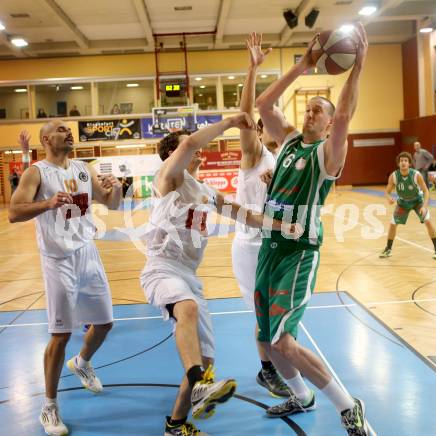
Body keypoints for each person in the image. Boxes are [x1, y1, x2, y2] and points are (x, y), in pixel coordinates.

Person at [140, 113, 300, 436]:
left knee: (207, 358)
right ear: (177, 154)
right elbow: (188, 142)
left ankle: (176, 424)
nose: (197, 150)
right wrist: (228, 122)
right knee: (187, 309)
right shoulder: (168, 178)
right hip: (161, 267)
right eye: (190, 148)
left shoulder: (204, 190)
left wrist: (283, 226)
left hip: (188, 274)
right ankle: (199, 384)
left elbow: (245, 215)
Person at [254, 24, 370, 435]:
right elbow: (264, 103)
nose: (311, 113)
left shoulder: (327, 154)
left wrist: (359, 65)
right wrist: (303, 64)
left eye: (319, 110)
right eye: (308, 109)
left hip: (298, 251)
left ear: (329, 122)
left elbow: (346, 114)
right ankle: (300, 395)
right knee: (267, 339)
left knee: (285, 341)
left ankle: (347, 406)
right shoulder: (286, 142)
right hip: (269, 246)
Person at [9, 120, 122, 436]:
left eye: (68, 129)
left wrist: (117, 187)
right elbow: (14, 212)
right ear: (46, 139)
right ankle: (49, 407)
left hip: (88, 252)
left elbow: (110, 202)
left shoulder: (84, 168)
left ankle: (83, 362)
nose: (68, 132)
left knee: (105, 323)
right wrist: (47, 202)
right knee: (60, 336)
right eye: (60, 129)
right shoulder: (37, 173)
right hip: (58, 260)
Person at [231, 32, 295, 398]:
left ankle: (276, 364)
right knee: (262, 315)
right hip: (250, 246)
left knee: (275, 313)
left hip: (274, 244)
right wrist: (252, 69)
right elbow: (244, 116)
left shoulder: (281, 159)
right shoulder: (253, 154)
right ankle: (267, 371)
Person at [380, 151, 436, 259]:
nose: (403, 163)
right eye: (401, 161)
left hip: (417, 201)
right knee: (393, 224)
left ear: (409, 163)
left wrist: (424, 207)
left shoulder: (416, 175)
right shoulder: (394, 176)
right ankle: (388, 249)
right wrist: (389, 198)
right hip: (403, 202)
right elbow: (387, 191)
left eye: (406, 161)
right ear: (398, 163)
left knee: (428, 221)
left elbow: (426, 191)